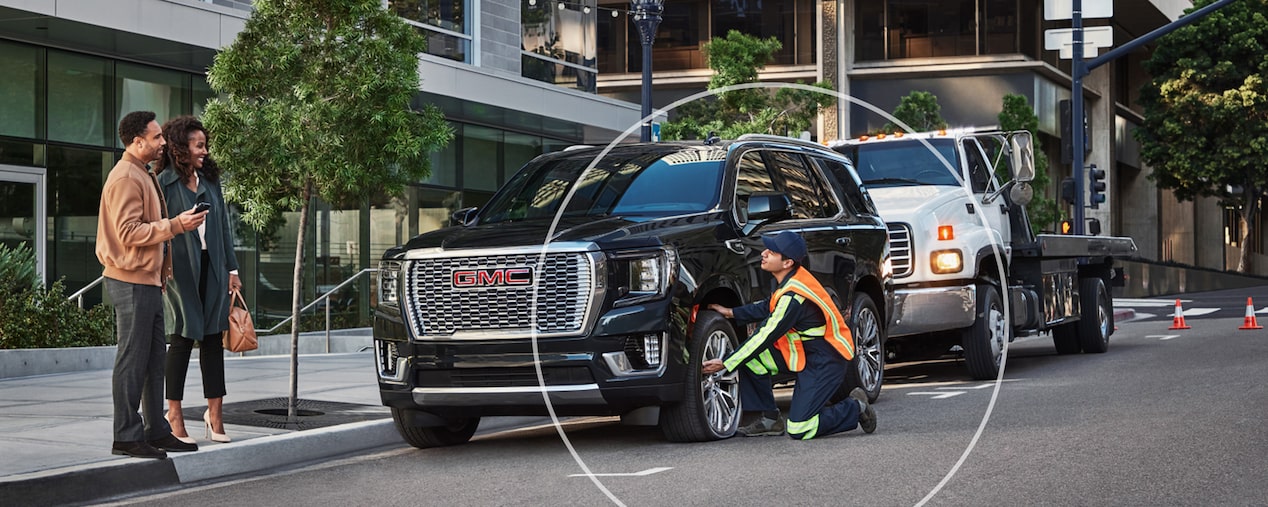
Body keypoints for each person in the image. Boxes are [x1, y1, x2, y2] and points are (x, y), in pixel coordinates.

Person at [97, 111, 207, 459]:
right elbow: (128, 232)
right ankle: (126, 436)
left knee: (153, 360)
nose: (163, 142)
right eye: (156, 137)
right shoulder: (126, 177)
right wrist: (176, 225)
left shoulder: (141, 173)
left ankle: (155, 430)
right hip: (130, 282)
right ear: (137, 141)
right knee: (132, 360)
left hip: (146, 281)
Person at [701, 230, 877, 440]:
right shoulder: (791, 279)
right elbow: (769, 305)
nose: (764, 253)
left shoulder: (793, 298)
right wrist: (731, 312)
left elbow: (764, 336)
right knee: (749, 360)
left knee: (800, 428)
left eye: (772, 251)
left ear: (787, 263)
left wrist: (727, 362)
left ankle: (855, 407)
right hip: (806, 352)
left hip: (826, 360)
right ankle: (770, 420)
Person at [157, 116, 241, 444]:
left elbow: (223, 229)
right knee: (180, 339)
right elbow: (159, 229)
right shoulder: (163, 183)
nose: (204, 151)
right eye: (199, 145)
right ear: (180, 148)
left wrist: (232, 270)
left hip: (214, 268)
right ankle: (174, 414)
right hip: (179, 271)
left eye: (205, 145)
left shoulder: (210, 181)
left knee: (211, 340)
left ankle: (214, 414)